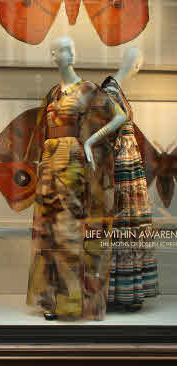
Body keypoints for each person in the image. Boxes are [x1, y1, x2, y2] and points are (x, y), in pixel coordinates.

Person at [26, 36, 127, 321]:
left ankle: (72, 303)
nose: (70, 53)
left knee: (68, 230)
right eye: (63, 50)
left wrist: (89, 142)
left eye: (72, 48)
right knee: (48, 232)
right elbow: (42, 131)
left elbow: (120, 116)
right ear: (53, 56)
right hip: (48, 163)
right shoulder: (52, 94)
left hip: (72, 165)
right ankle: (51, 301)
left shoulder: (88, 90)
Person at [102, 48, 158, 312]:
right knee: (123, 225)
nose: (139, 69)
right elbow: (103, 132)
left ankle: (128, 291)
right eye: (139, 64)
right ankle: (119, 292)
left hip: (128, 166)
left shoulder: (115, 91)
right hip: (121, 167)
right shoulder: (110, 92)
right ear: (135, 64)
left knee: (130, 225)